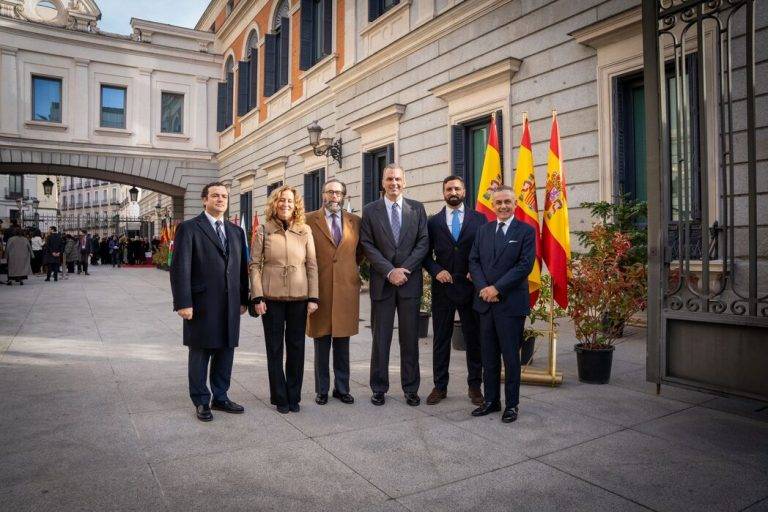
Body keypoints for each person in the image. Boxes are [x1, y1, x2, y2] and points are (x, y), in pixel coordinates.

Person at [170, 182, 250, 422]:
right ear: (204, 200)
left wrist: (243, 298)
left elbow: (241, 269)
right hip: (201, 303)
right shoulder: (189, 228)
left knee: (226, 350)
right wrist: (183, 302)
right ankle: (201, 400)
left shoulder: (236, 232)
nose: (220, 199)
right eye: (215, 195)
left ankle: (221, 396)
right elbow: (180, 268)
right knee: (201, 352)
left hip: (230, 303)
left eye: (224, 196)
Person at [360, 163, 429, 407]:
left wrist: (404, 270)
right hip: (383, 284)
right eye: (389, 179)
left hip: (409, 283)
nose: (394, 183)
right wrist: (390, 271)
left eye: (398, 179)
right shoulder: (370, 211)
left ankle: (411, 388)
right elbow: (367, 245)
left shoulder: (417, 209)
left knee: (410, 339)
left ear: (405, 182)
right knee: (381, 339)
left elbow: (423, 243)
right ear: (382, 182)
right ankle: (379, 387)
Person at [468, 186, 535, 423]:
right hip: (485, 303)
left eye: (508, 202)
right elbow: (473, 261)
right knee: (488, 357)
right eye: (499, 203)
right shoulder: (484, 230)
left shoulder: (526, 231)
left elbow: (524, 266)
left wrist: (497, 288)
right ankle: (491, 401)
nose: (503, 206)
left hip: (510, 305)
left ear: (515, 203)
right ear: (493, 205)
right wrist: (484, 289)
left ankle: (512, 405)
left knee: (510, 358)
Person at [250, 185, 319, 414]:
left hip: (299, 297)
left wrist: (313, 297)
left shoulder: (305, 229)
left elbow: (312, 264)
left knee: (297, 348)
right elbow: (254, 265)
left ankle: (294, 395)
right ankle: (279, 396)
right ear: (274, 203)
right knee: (275, 348)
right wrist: (257, 296)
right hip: (271, 298)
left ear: (295, 203)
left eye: (289, 201)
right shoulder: (264, 229)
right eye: (281, 200)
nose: (285, 204)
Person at [423, 175, 488, 406]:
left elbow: (485, 251)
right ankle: (440, 387)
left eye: (457, 188)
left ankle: (474, 386)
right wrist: (436, 270)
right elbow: (425, 254)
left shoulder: (480, 219)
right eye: (449, 188)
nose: (453, 191)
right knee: (441, 339)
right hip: (444, 287)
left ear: (464, 191)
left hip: (471, 287)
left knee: (474, 338)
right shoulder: (433, 222)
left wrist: (477, 270)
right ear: (443, 192)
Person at [305, 178, 364, 406]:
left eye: (338, 193)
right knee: (321, 340)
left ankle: (342, 388)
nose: (334, 197)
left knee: (342, 340)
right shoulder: (309, 220)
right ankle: (322, 390)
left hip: (346, 288)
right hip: (319, 288)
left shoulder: (355, 221)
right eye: (330, 192)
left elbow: (360, 252)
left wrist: (347, 270)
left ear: (344, 196)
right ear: (323, 195)